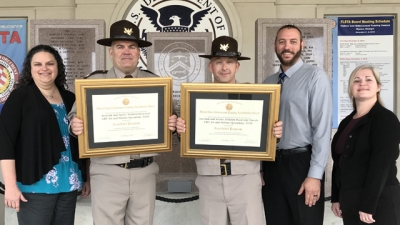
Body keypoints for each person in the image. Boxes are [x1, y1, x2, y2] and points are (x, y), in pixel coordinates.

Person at [68, 20, 177, 225]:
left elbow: (167, 126)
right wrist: (74, 125)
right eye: (120, 46)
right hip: (107, 171)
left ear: (139, 52)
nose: (126, 51)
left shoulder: (156, 84)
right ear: (111, 52)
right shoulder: (93, 83)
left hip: (145, 173)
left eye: (132, 46)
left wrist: (171, 125)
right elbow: (73, 118)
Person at [176, 35, 283, 225]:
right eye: (218, 62)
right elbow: (187, 139)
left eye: (229, 62)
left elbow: (265, 139)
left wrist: (273, 134)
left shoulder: (254, 97)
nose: (224, 67)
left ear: (237, 66)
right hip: (210, 179)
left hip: (245, 178)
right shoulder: (194, 98)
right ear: (210, 66)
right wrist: (180, 130)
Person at [0, 44, 90, 225]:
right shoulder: (20, 97)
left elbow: (82, 141)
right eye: (38, 64)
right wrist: (10, 185)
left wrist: (86, 177)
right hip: (35, 185)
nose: (44, 69)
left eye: (50, 64)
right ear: (30, 68)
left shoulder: (71, 98)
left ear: (58, 67)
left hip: (69, 183)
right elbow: (5, 142)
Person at [261, 24, 333, 225]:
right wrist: (260, 169)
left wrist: (315, 176)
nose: (287, 46)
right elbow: (260, 130)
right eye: (282, 41)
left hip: (302, 164)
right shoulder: (268, 82)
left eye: (293, 41)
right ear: (275, 45)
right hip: (272, 166)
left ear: (301, 45)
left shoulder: (315, 77)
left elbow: (322, 130)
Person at [330, 65, 400, 225]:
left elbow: (381, 165)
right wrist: (336, 198)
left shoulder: (385, 119)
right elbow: (339, 163)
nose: (362, 83)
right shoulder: (346, 123)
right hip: (350, 202)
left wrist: (369, 205)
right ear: (350, 88)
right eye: (357, 80)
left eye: (369, 79)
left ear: (378, 87)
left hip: (378, 204)